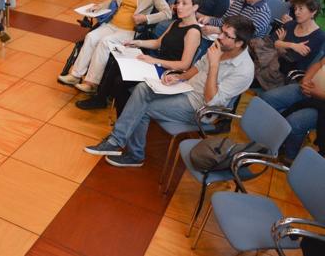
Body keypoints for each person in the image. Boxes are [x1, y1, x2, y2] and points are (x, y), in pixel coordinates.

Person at [85, 15, 255, 167]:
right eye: (221, 31)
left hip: (200, 107)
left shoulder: (244, 70)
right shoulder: (221, 47)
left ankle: (134, 155)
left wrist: (215, 64)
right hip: (186, 88)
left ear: (239, 43)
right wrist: (179, 78)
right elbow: (197, 67)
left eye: (227, 35)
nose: (220, 36)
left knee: (143, 109)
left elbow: (211, 100)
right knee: (142, 88)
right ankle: (117, 140)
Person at [58, 0, 172, 93]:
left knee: (105, 42)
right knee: (91, 37)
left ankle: (91, 82)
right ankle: (75, 75)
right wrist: (99, 6)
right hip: (113, 23)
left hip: (129, 30)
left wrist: (146, 18)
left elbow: (167, 13)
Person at [76, 0, 203, 111]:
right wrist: (137, 43)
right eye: (178, 3)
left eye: (184, 3)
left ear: (195, 7)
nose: (178, 7)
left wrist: (153, 60)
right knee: (117, 64)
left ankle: (123, 114)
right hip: (157, 63)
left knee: (120, 81)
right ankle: (101, 99)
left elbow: (184, 65)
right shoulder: (176, 23)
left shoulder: (193, 32)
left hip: (166, 71)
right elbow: (158, 43)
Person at [261, 57, 325, 162]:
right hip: (307, 89)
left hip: (321, 105)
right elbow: (318, 64)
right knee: (267, 99)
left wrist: (315, 93)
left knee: (295, 122)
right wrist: (306, 79)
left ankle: (289, 158)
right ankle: (266, 139)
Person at [256, 0, 325, 90]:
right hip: (266, 64)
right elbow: (269, 41)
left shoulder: (318, 36)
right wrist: (291, 45)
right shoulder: (291, 24)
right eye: (295, 8)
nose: (296, 12)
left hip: (284, 75)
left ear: (313, 11)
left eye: (301, 8)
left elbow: (292, 59)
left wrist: (279, 43)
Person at [200, 0, 271, 40]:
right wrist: (209, 20)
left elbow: (244, 34)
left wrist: (219, 30)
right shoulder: (239, 1)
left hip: (243, 47)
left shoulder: (263, 12)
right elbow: (224, 20)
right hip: (225, 38)